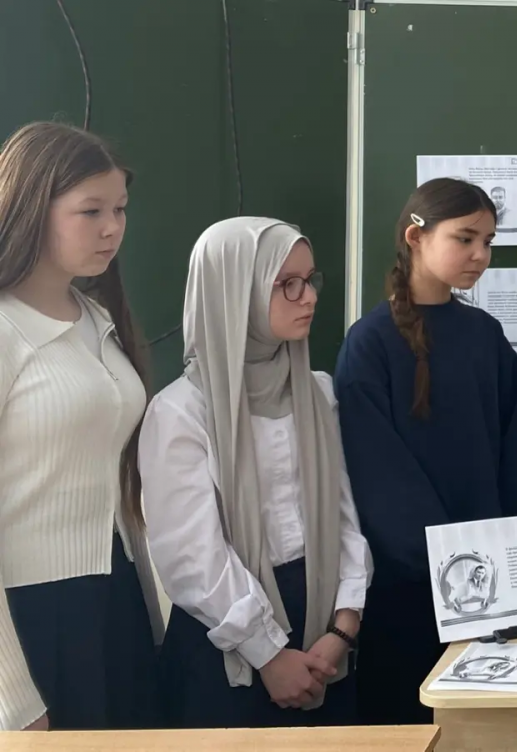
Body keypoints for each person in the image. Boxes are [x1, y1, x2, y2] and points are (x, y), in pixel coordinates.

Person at [140, 218, 369, 727]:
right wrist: (269, 655)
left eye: (310, 280)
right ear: (233, 292)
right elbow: (191, 557)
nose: (309, 296)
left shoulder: (317, 391)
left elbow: (344, 518)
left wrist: (343, 626)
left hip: (323, 631)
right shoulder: (180, 412)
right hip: (228, 643)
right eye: (287, 284)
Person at [336, 177, 517, 725]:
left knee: (488, 728)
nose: (481, 255)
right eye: (465, 239)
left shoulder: (486, 336)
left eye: (488, 242)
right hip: (407, 589)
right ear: (415, 236)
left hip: (490, 587)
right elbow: (378, 478)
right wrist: (452, 568)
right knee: (408, 722)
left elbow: (509, 461)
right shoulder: (369, 343)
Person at [0, 122, 162, 731]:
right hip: (31, 611)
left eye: (120, 209)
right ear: (29, 208)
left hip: (115, 594)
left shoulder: (97, 317)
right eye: (90, 211)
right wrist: (13, 700)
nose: (112, 227)